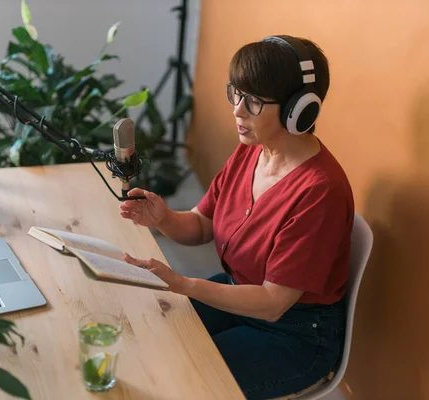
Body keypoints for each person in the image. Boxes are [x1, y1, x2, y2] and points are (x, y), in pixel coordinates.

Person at [119, 35, 353, 400]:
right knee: (151, 333)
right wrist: (163, 218)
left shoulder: (320, 192)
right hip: (236, 291)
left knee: (181, 380)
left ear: (299, 110)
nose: (237, 110)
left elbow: (274, 303)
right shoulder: (252, 150)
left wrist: (185, 284)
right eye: (236, 93)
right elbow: (201, 224)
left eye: (254, 101)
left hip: (294, 334)